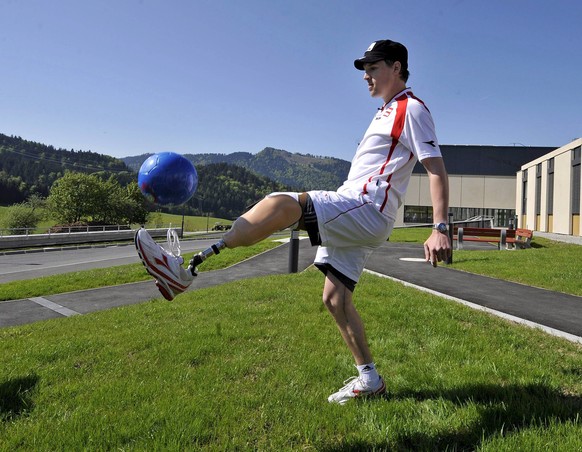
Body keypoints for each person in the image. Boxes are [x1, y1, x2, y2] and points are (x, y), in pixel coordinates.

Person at [135, 39, 451, 405]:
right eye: (364, 69)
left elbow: (436, 169)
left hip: (366, 207)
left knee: (282, 203)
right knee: (335, 299)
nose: (366, 75)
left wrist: (439, 227)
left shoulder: (411, 108)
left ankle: (187, 269)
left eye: (374, 67)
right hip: (360, 209)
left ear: (397, 68)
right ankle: (370, 380)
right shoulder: (385, 111)